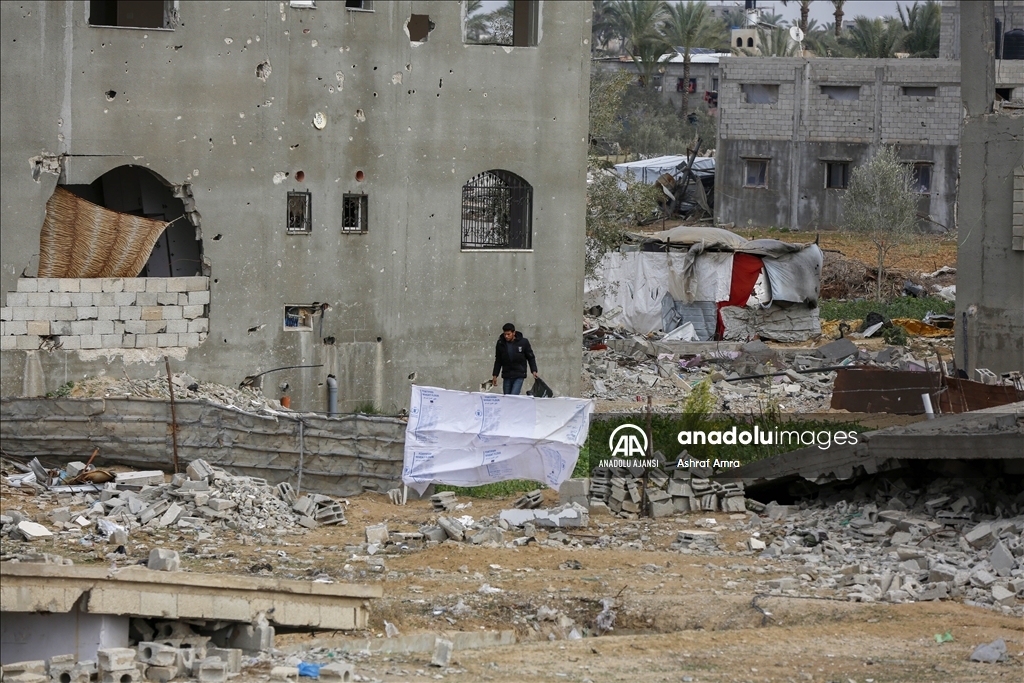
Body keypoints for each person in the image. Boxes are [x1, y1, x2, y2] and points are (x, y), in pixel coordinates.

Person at [491, 323, 538, 395]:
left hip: (519, 374)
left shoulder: (523, 342)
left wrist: (534, 370)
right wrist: (495, 375)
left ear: (514, 333)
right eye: (505, 334)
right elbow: (498, 360)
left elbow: (531, 357)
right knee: (507, 397)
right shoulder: (500, 343)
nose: (506, 336)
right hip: (507, 375)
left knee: (513, 396)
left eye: (508, 334)